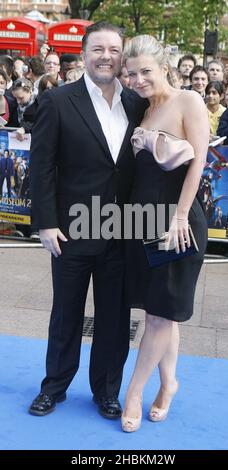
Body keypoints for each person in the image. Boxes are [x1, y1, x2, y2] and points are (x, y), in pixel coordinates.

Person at [29, 22, 146, 419]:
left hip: (121, 229)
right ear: (84, 54)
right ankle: (54, 387)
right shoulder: (59, 101)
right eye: (98, 49)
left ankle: (107, 392)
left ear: (122, 55)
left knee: (114, 318)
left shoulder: (137, 103)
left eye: (114, 49)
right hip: (70, 229)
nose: (106, 56)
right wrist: (45, 223)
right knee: (66, 312)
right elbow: (41, 166)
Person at [121, 35, 209, 432]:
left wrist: (180, 217)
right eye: (132, 73)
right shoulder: (142, 107)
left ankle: (135, 392)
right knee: (161, 311)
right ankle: (169, 383)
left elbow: (199, 162)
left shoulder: (188, 101)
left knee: (158, 314)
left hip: (177, 222)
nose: (138, 79)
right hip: (143, 218)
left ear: (165, 68)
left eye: (146, 72)